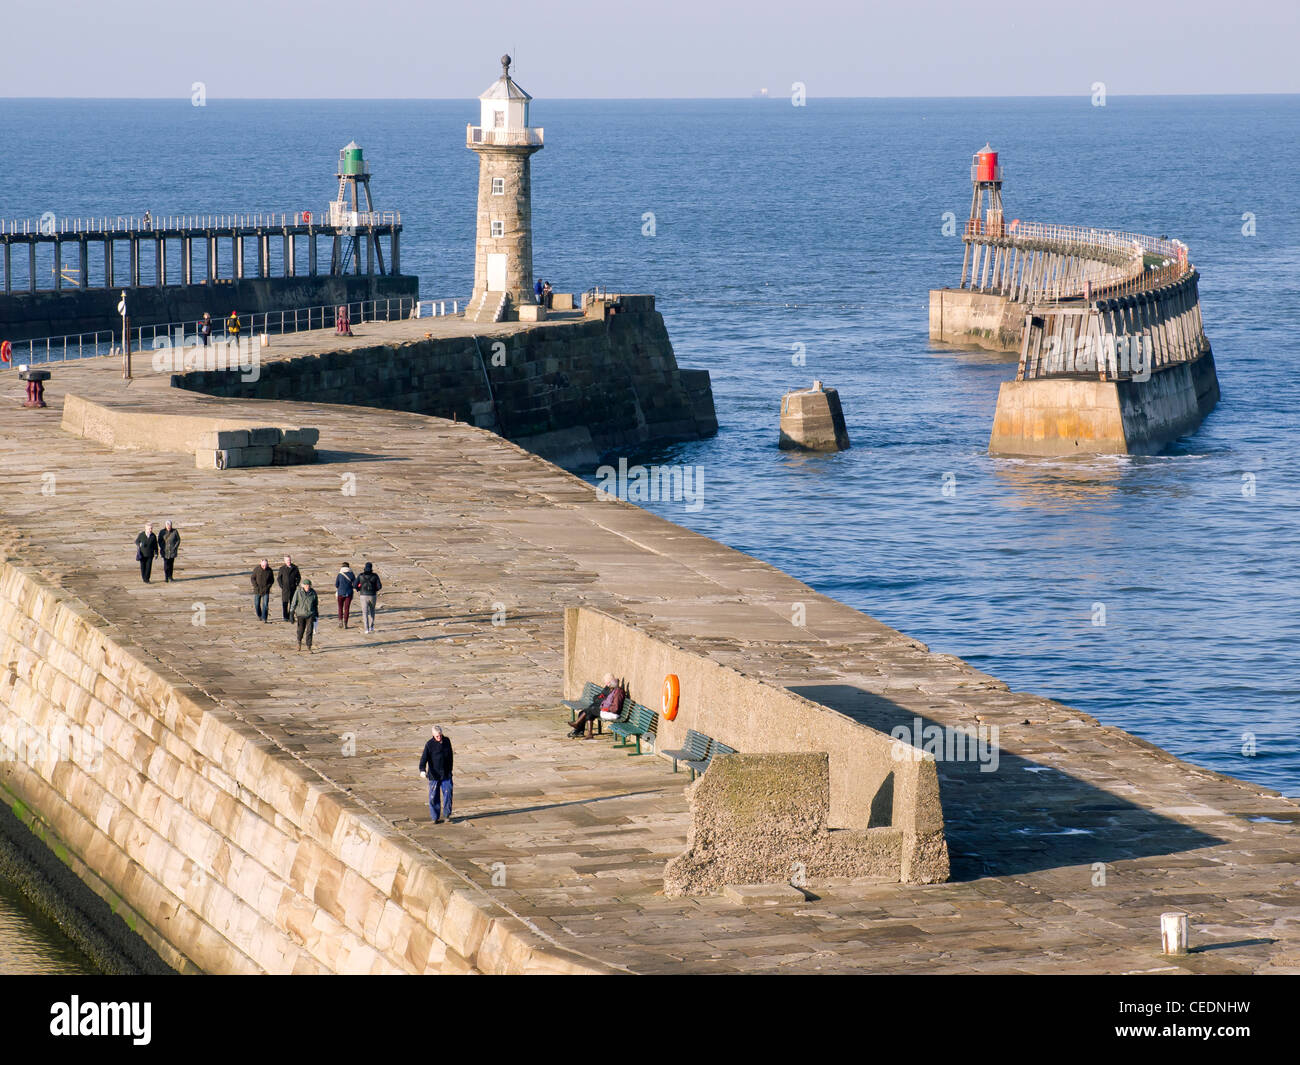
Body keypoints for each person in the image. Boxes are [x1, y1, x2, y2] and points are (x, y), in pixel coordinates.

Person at [569, 673, 624, 738]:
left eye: (609, 683)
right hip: (603, 708)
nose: (608, 685)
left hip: (610, 713)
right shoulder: (612, 690)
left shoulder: (617, 692)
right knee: (588, 711)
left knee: (589, 710)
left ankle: (578, 726)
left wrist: (605, 708)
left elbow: (615, 708)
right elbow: (601, 697)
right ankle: (583, 731)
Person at [418, 725, 454, 824]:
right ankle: (435, 817)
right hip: (434, 775)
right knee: (434, 796)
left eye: (440, 735)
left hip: (446, 774)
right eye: (437, 736)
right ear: (433, 735)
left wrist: (450, 770)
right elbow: (423, 759)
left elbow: (450, 755)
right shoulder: (429, 745)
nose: (439, 738)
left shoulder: (446, 741)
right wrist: (422, 770)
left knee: (448, 793)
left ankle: (447, 814)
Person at [290, 578, 319, 652]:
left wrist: (316, 614)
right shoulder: (298, 592)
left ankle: (309, 646)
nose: (307, 587)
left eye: (309, 585)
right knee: (300, 630)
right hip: (300, 614)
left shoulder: (313, 593)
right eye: (306, 585)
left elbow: (315, 604)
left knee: (310, 631)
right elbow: (293, 602)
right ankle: (299, 643)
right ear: (303, 586)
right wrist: (291, 613)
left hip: (310, 614)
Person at [355, 561, 382, 634]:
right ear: (371, 568)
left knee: (365, 612)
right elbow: (379, 586)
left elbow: (355, 585)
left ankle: (366, 629)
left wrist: (359, 589)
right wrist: (374, 590)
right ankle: (371, 626)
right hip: (372, 595)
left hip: (363, 595)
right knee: (372, 611)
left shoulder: (360, 575)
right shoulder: (375, 575)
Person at [276, 555, 301, 622]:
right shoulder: (282, 568)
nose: (288, 562)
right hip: (285, 589)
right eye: (287, 560)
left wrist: (296, 583)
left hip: (293, 588)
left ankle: (291, 616)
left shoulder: (295, 568)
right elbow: (279, 578)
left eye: (289, 560)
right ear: (285, 561)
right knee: (285, 603)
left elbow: (298, 577)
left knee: (292, 603)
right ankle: (285, 617)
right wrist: (282, 586)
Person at [250, 558, 275, 622]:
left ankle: (264, 618)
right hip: (257, 590)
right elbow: (253, 578)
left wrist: (268, 587)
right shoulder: (256, 569)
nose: (264, 567)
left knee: (265, 605)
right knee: (256, 604)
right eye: (263, 565)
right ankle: (259, 615)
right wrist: (256, 586)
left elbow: (272, 580)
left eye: (265, 565)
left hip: (266, 590)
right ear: (260, 564)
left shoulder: (270, 570)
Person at [335, 562, 356, 628]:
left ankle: (340, 621)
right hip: (349, 593)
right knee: (347, 609)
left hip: (340, 593)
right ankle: (345, 623)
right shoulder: (351, 574)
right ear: (348, 567)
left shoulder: (340, 574)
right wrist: (351, 587)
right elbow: (355, 584)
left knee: (340, 608)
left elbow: (336, 584)